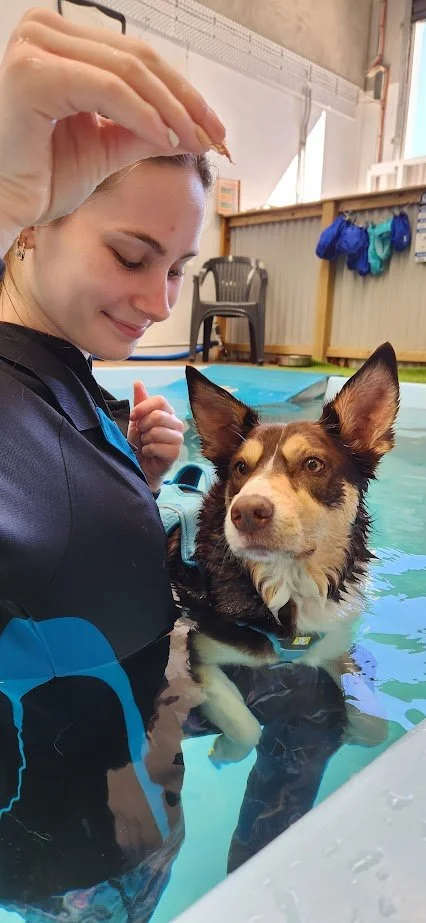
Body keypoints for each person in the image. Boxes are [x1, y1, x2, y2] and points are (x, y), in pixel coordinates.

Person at [0, 7, 224, 921]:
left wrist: (125, 474)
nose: (157, 301)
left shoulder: (62, 371)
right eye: (133, 255)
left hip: (111, 800)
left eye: (177, 266)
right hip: (76, 864)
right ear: (28, 229)